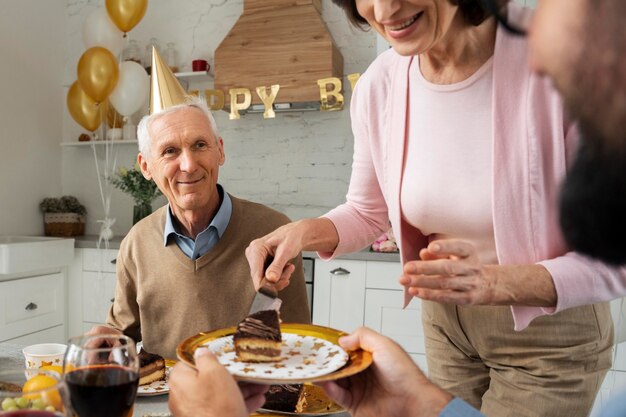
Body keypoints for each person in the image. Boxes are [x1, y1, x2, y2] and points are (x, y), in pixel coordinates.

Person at [169, 0, 626, 416]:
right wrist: (304, 232)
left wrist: (493, 282)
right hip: (446, 326)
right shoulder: (380, 84)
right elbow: (369, 212)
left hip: (547, 337)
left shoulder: (566, 52)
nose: (385, 9)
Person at [87, 56, 311, 359]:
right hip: (165, 404)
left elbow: (299, 345)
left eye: (199, 145)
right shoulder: (136, 243)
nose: (189, 165)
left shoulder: (274, 232)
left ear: (220, 150)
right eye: (169, 151)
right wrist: (106, 339)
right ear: (146, 166)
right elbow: (122, 335)